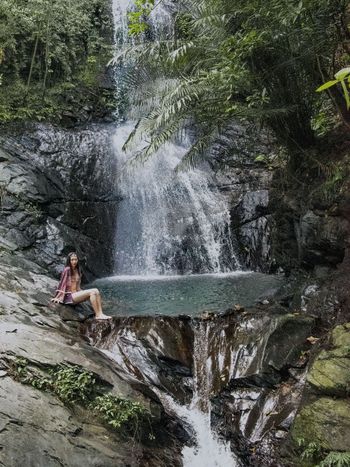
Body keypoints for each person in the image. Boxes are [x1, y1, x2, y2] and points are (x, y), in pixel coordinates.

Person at [51, 252, 110, 320]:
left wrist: (84, 293)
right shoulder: (67, 270)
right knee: (92, 292)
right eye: (72, 260)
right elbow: (62, 284)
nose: (74, 261)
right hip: (69, 297)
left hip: (76, 295)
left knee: (96, 290)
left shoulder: (78, 270)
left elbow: (78, 287)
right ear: (69, 261)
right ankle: (97, 315)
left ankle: (101, 313)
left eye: (75, 259)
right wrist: (58, 297)